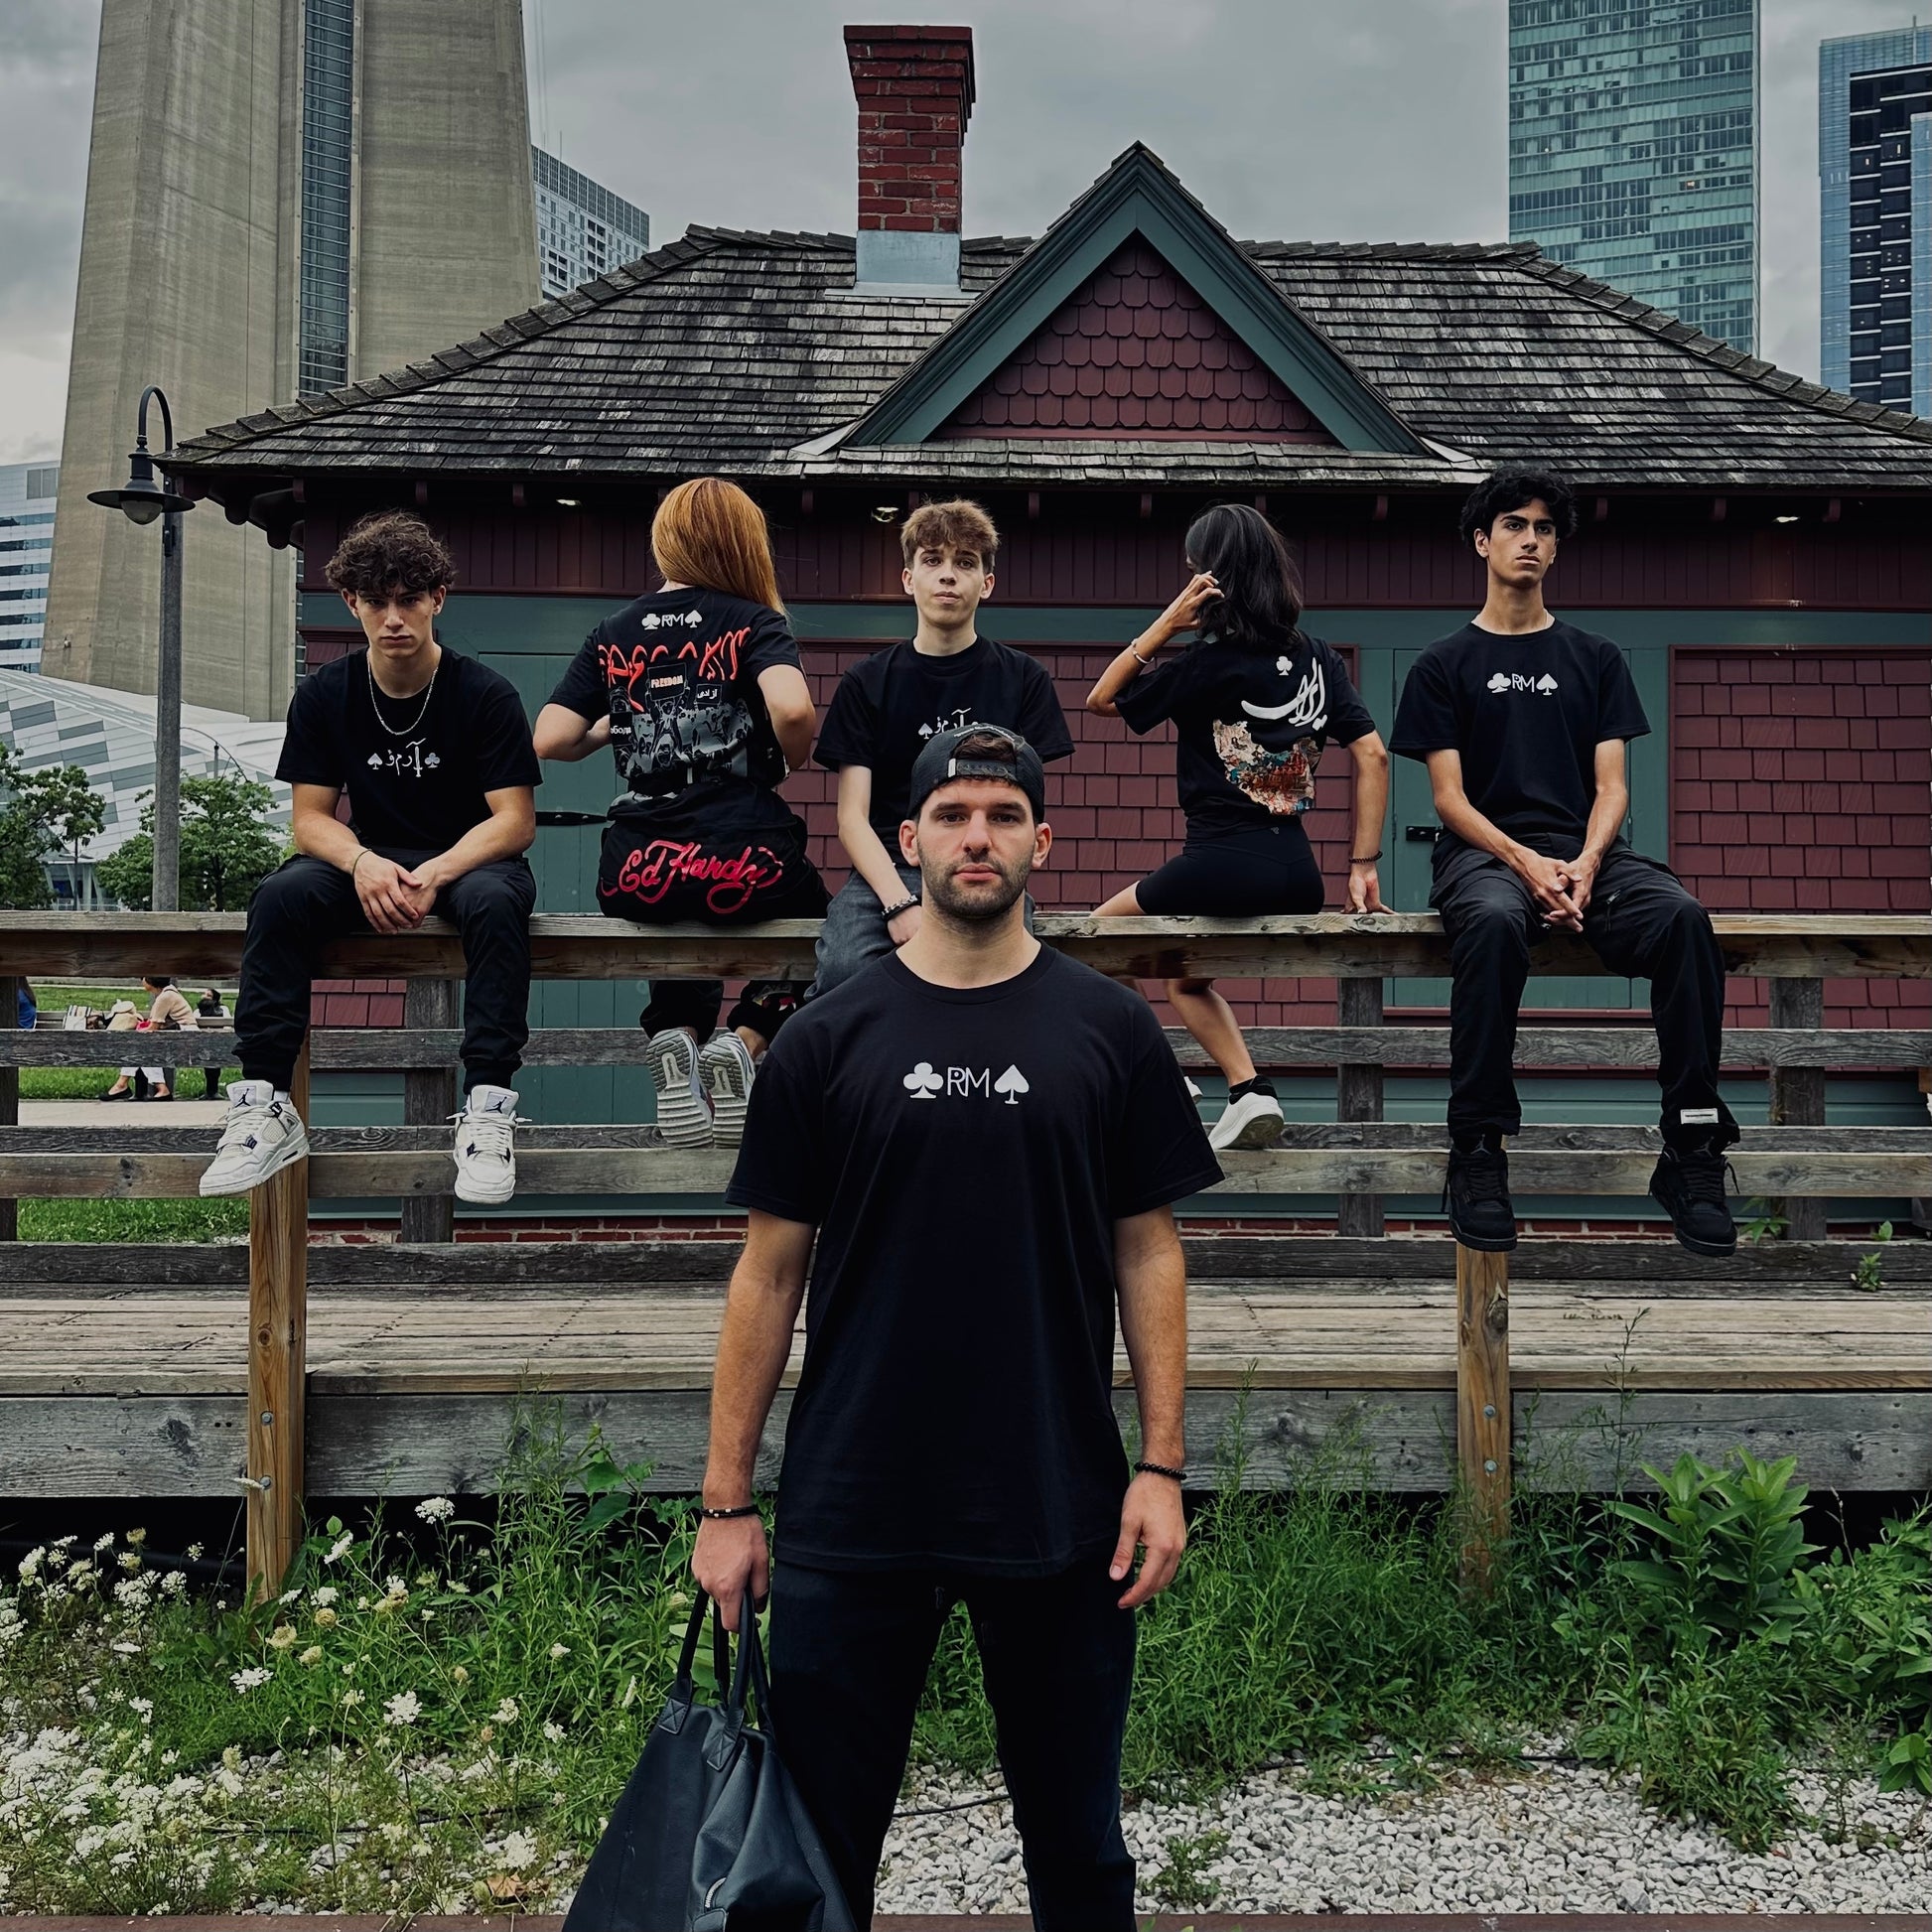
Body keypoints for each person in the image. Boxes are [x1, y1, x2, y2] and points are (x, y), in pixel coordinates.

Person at [694, 724, 1222, 1930]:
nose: (974, 836)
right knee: (810, 1858)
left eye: (1000, 814)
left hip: (1055, 1497)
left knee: (1079, 1850)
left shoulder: (1109, 1029)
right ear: (908, 838)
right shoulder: (824, 1037)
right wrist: (725, 1504)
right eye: (950, 813)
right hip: (852, 1501)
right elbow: (765, 1276)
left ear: (1043, 840)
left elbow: (1149, 1250)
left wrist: (1160, 1465)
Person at [1390, 468, 1738, 1257]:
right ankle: (1478, 1147)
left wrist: (1583, 862)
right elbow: (1449, 800)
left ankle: (1691, 1146)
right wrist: (1526, 863)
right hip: (1484, 855)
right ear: (1482, 542)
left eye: (1545, 529)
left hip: (1590, 854)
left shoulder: (1596, 657)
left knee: (1684, 920)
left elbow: (1613, 788)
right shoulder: (1442, 663)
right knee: (1490, 922)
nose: (1531, 540)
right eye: (1515, 525)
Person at [202, 512, 540, 1202]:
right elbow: (309, 821)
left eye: (409, 599)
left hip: (471, 860)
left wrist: (437, 871)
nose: (393, 619)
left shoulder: (485, 694)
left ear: (437, 599)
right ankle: (263, 1104)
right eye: (376, 601)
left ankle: (488, 1109)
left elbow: (514, 821)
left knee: (496, 904)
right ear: (351, 602)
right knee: (280, 896)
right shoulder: (325, 694)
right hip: (370, 855)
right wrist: (361, 863)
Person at [1088, 503, 1391, 1151]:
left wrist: (1166, 623)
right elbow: (1374, 755)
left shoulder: (1206, 663)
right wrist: (1363, 865)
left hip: (1222, 862)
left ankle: (1159, 1074)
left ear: (1212, 578)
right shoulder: (1318, 659)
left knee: (1092, 942)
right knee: (1185, 981)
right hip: (1298, 874)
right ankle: (1249, 1090)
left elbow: (1102, 699)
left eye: (1193, 570)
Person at [533, 478, 822, 1149]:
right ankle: (746, 1039)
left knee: (677, 924)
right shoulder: (753, 621)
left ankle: (677, 1034)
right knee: (825, 928)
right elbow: (793, 709)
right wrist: (793, 755)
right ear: (742, 545)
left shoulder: (614, 631)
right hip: (744, 857)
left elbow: (549, 737)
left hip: (638, 866)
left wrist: (616, 725)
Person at [808, 499, 1072, 999]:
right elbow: (851, 818)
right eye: (932, 560)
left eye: (964, 562)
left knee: (1007, 985)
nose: (948, 575)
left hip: (983, 865)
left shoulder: (1024, 679)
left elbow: (1025, 808)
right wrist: (898, 904)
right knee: (843, 972)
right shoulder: (867, 682)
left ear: (986, 584)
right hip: (889, 870)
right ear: (908, 579)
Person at [102, 975, 196, 1101]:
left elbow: (153, 1027)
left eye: (143, 978)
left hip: (186, 1037)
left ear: (150, 980)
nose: (142, 981)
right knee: (142, 1048)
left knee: (143, 1047)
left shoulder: (165, 997)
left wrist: (135, 1034)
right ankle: (157, 1088)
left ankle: (123, 1085)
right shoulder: (167, 993)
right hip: (181, 1035)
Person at [197, 988, 228, 1100]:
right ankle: (210, 1091)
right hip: (203, 1041)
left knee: (215, 1067)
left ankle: (213, 1091)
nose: (204, 997)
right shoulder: (198, 1010)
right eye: (204, 994)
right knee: (208, 1067)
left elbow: (227, 1024)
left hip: (218, 1040)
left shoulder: (223, 1009)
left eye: (208, 995)